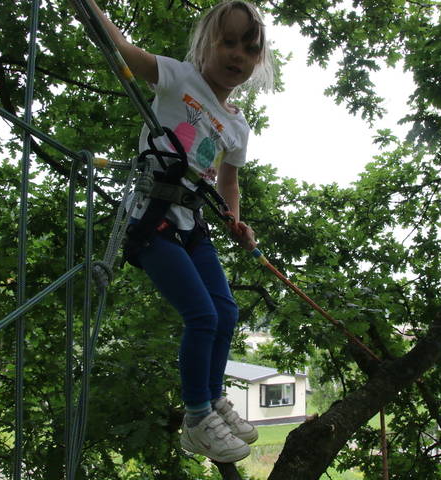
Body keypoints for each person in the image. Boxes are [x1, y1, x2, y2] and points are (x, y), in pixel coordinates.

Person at [85, 0, 274, 463]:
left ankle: (210, 401)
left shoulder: (237, 124)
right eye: (227, 42)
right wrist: (90, 8)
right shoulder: (178, 78)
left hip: (194, 226)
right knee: (202, 317)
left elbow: (229, 182)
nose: (237, 56)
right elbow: (123, 49)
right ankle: (196, 420)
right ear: (204, 44)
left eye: (249, 49)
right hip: (153, 222)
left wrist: (236, 221)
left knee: (226, 313)